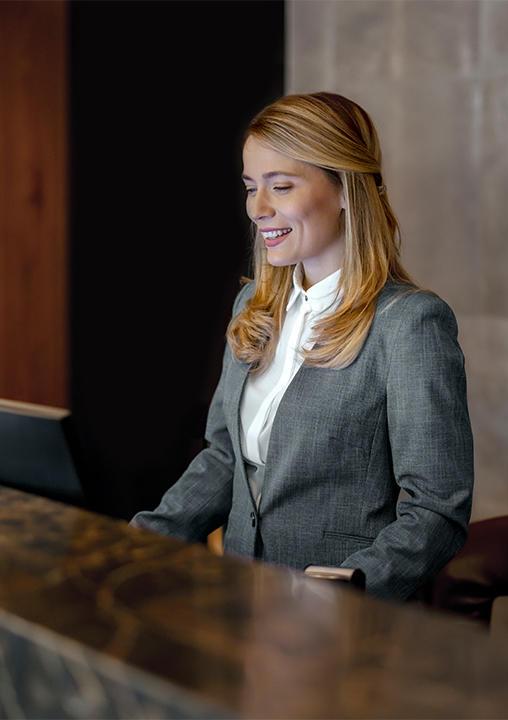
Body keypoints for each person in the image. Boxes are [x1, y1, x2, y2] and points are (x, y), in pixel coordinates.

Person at [132, 92, 474, 602]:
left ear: (345, 190)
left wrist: (341, 591)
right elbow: (226, 457)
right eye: (251, 188)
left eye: (282, 186)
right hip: (243, 603)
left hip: (343, 629)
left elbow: (438, 508)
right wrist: (140, 540)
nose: (258, 209)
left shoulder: (410, 323)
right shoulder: (253, 302)